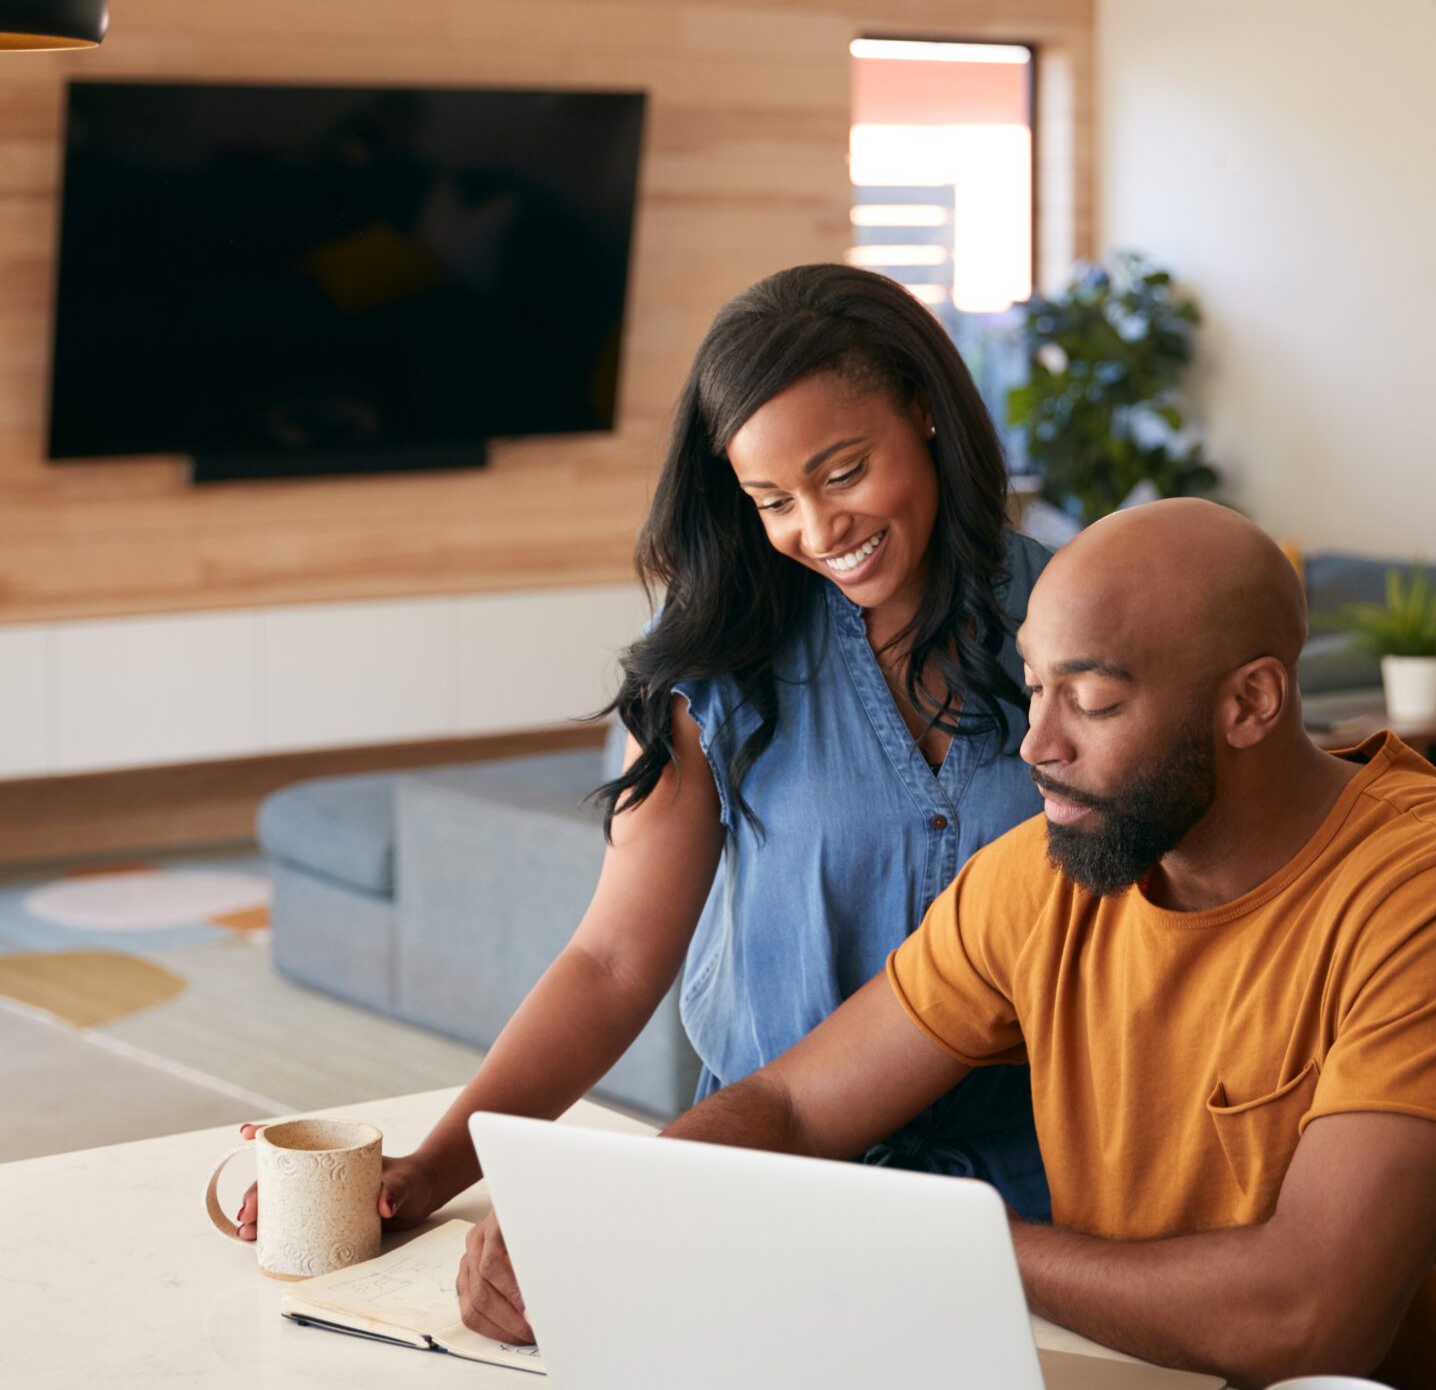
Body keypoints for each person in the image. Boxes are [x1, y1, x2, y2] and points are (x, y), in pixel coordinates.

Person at [498, 498, 1436, 1390]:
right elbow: (791, 1102)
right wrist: (594, 1224)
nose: (1037, 743)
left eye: (1093, 701)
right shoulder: (1041, 876)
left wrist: (949, 1242)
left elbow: (1310, 1314)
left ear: (1250, 703)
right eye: (1033, 683)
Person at [240, 264, 1054, 1274]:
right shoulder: (718, 652)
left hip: (1047, 1200)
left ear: (924, 409)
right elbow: (616, 957)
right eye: (772, 499)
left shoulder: (1073, 622)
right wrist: (433, 1167)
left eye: (843, 473)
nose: (818, 530)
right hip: (763, 1183)